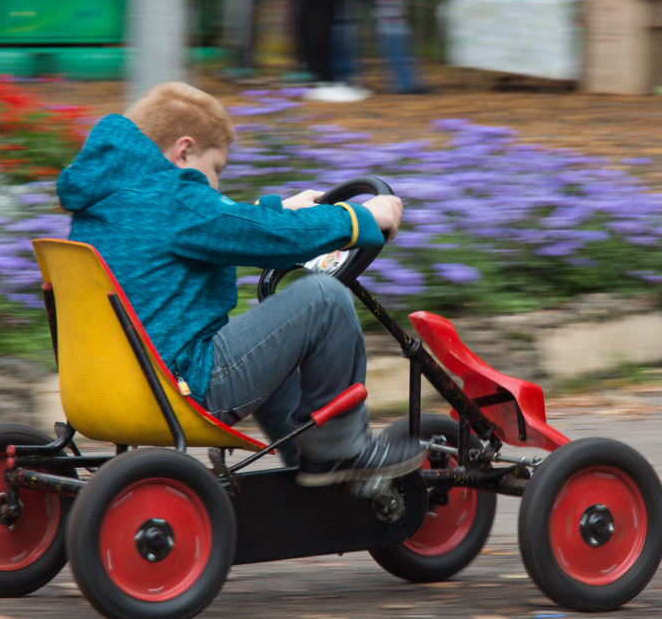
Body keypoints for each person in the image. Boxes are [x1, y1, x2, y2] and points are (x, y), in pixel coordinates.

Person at [56, 81, 424, 484]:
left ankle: (304, 457)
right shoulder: (175, 200)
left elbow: (213, 221)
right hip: (185, 388)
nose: (214, 185)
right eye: (215, 171)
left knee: (276, 330)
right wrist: (362, 218)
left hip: (108, 387)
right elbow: (262, 235)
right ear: (184, 151)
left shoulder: (114, 195)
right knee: (325, 299)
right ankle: (337, 450)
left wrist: (278, 208)